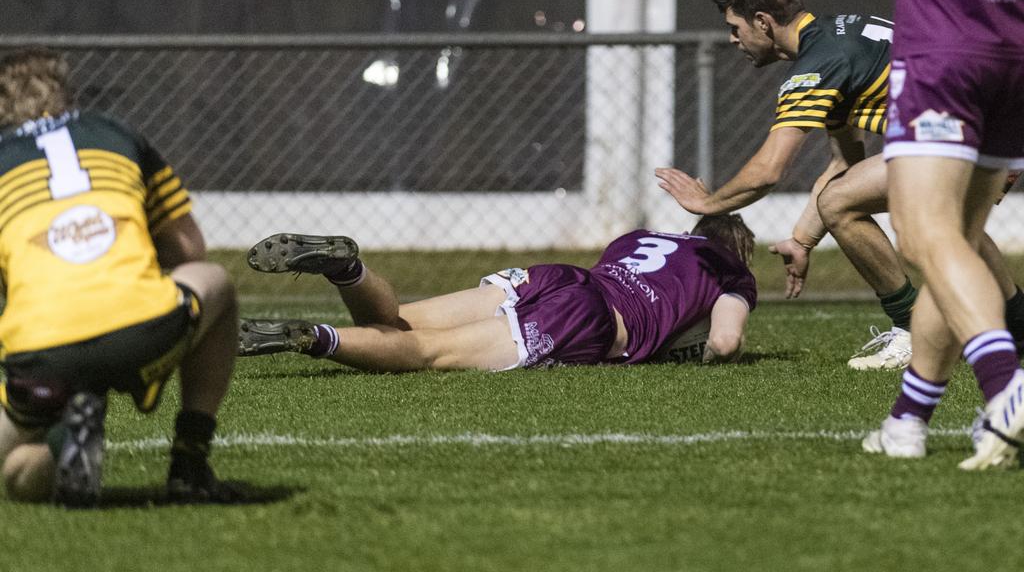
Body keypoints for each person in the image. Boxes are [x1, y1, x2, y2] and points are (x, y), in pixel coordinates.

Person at [762, 0, 1024, 469]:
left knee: (924, 229)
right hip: (1017, 53)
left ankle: (1006, 385)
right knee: (955, 243)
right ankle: (908, 418)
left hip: (944, 53)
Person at [655, 0, 1024, 371]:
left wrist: (708, 204)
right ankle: (1017, 325)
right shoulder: (836, 35)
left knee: (856, 207)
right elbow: (846, 161)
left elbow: (769, 169)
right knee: (937, 222)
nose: (732, 39)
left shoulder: (817, 64)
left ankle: (914, 330)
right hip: (994, 123)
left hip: (973, 134)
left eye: (735, 27)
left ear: (762, 22)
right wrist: (802, 239)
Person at [0, 48, 239, 506]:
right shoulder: (112, 131)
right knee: (216, 282)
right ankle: (190, 462)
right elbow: (189, 249)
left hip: (42, 355)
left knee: (14, 475)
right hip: (144, 328)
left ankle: (63, 442)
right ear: (64, 93)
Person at [236, 214, 757, 372]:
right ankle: (315, 337)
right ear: (736, 250)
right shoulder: (731, 270)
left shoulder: (641, 237)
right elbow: (727, 342)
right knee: (424, 353)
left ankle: (348, 270)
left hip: (558, 277)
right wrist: (695, 351)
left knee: (398, 321)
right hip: (586, 314)